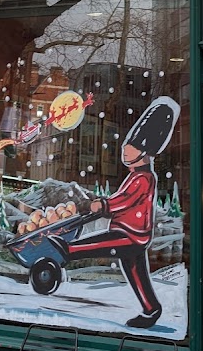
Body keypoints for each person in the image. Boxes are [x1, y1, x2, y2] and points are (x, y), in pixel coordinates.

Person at [55, 95, 181, 329]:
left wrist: (104, 206)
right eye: (127, 145)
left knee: (100, 243)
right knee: (136, 274)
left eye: (131, 147)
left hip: (130, 234)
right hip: (130, 232)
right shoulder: (136, 176)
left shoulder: (143, 178)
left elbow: (125, 201)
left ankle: (68, 250)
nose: (124, 149)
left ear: (144, 153)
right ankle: (151, 309)